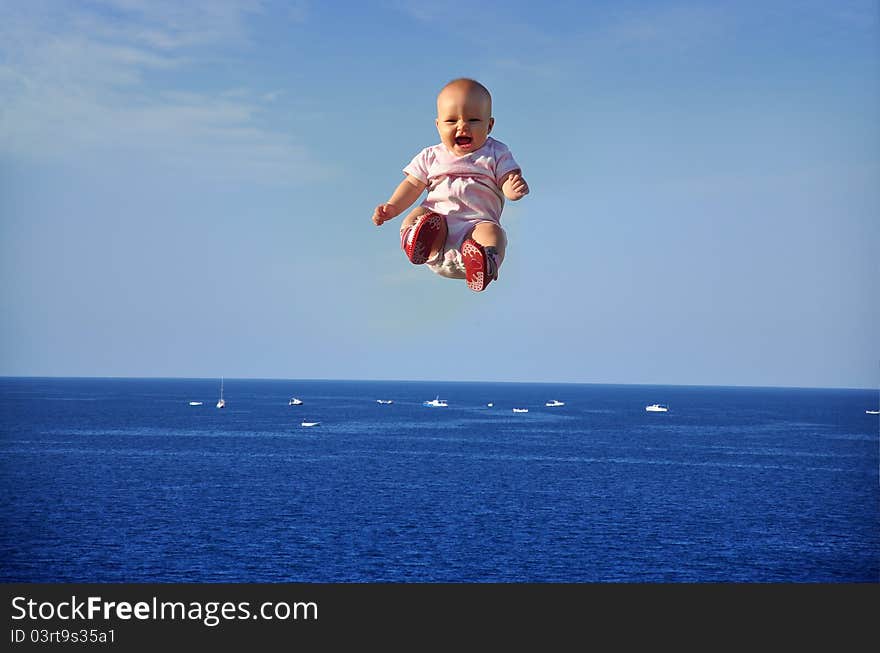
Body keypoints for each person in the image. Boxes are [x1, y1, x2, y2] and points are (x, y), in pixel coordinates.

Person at [371, 78, 529, 292]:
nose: (462, 126)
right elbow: (412, 185)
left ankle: (485, 262)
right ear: (438, 125)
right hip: (438, 229)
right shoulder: (431, 156)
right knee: (420, 214)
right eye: (451, 121)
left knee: (493, 233)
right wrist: (392, 207)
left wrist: (512, 189)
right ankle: (418, 241)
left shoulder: (496, 153)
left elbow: (506, 179)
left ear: (489, 125)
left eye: (473, 120)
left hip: (475, 231)